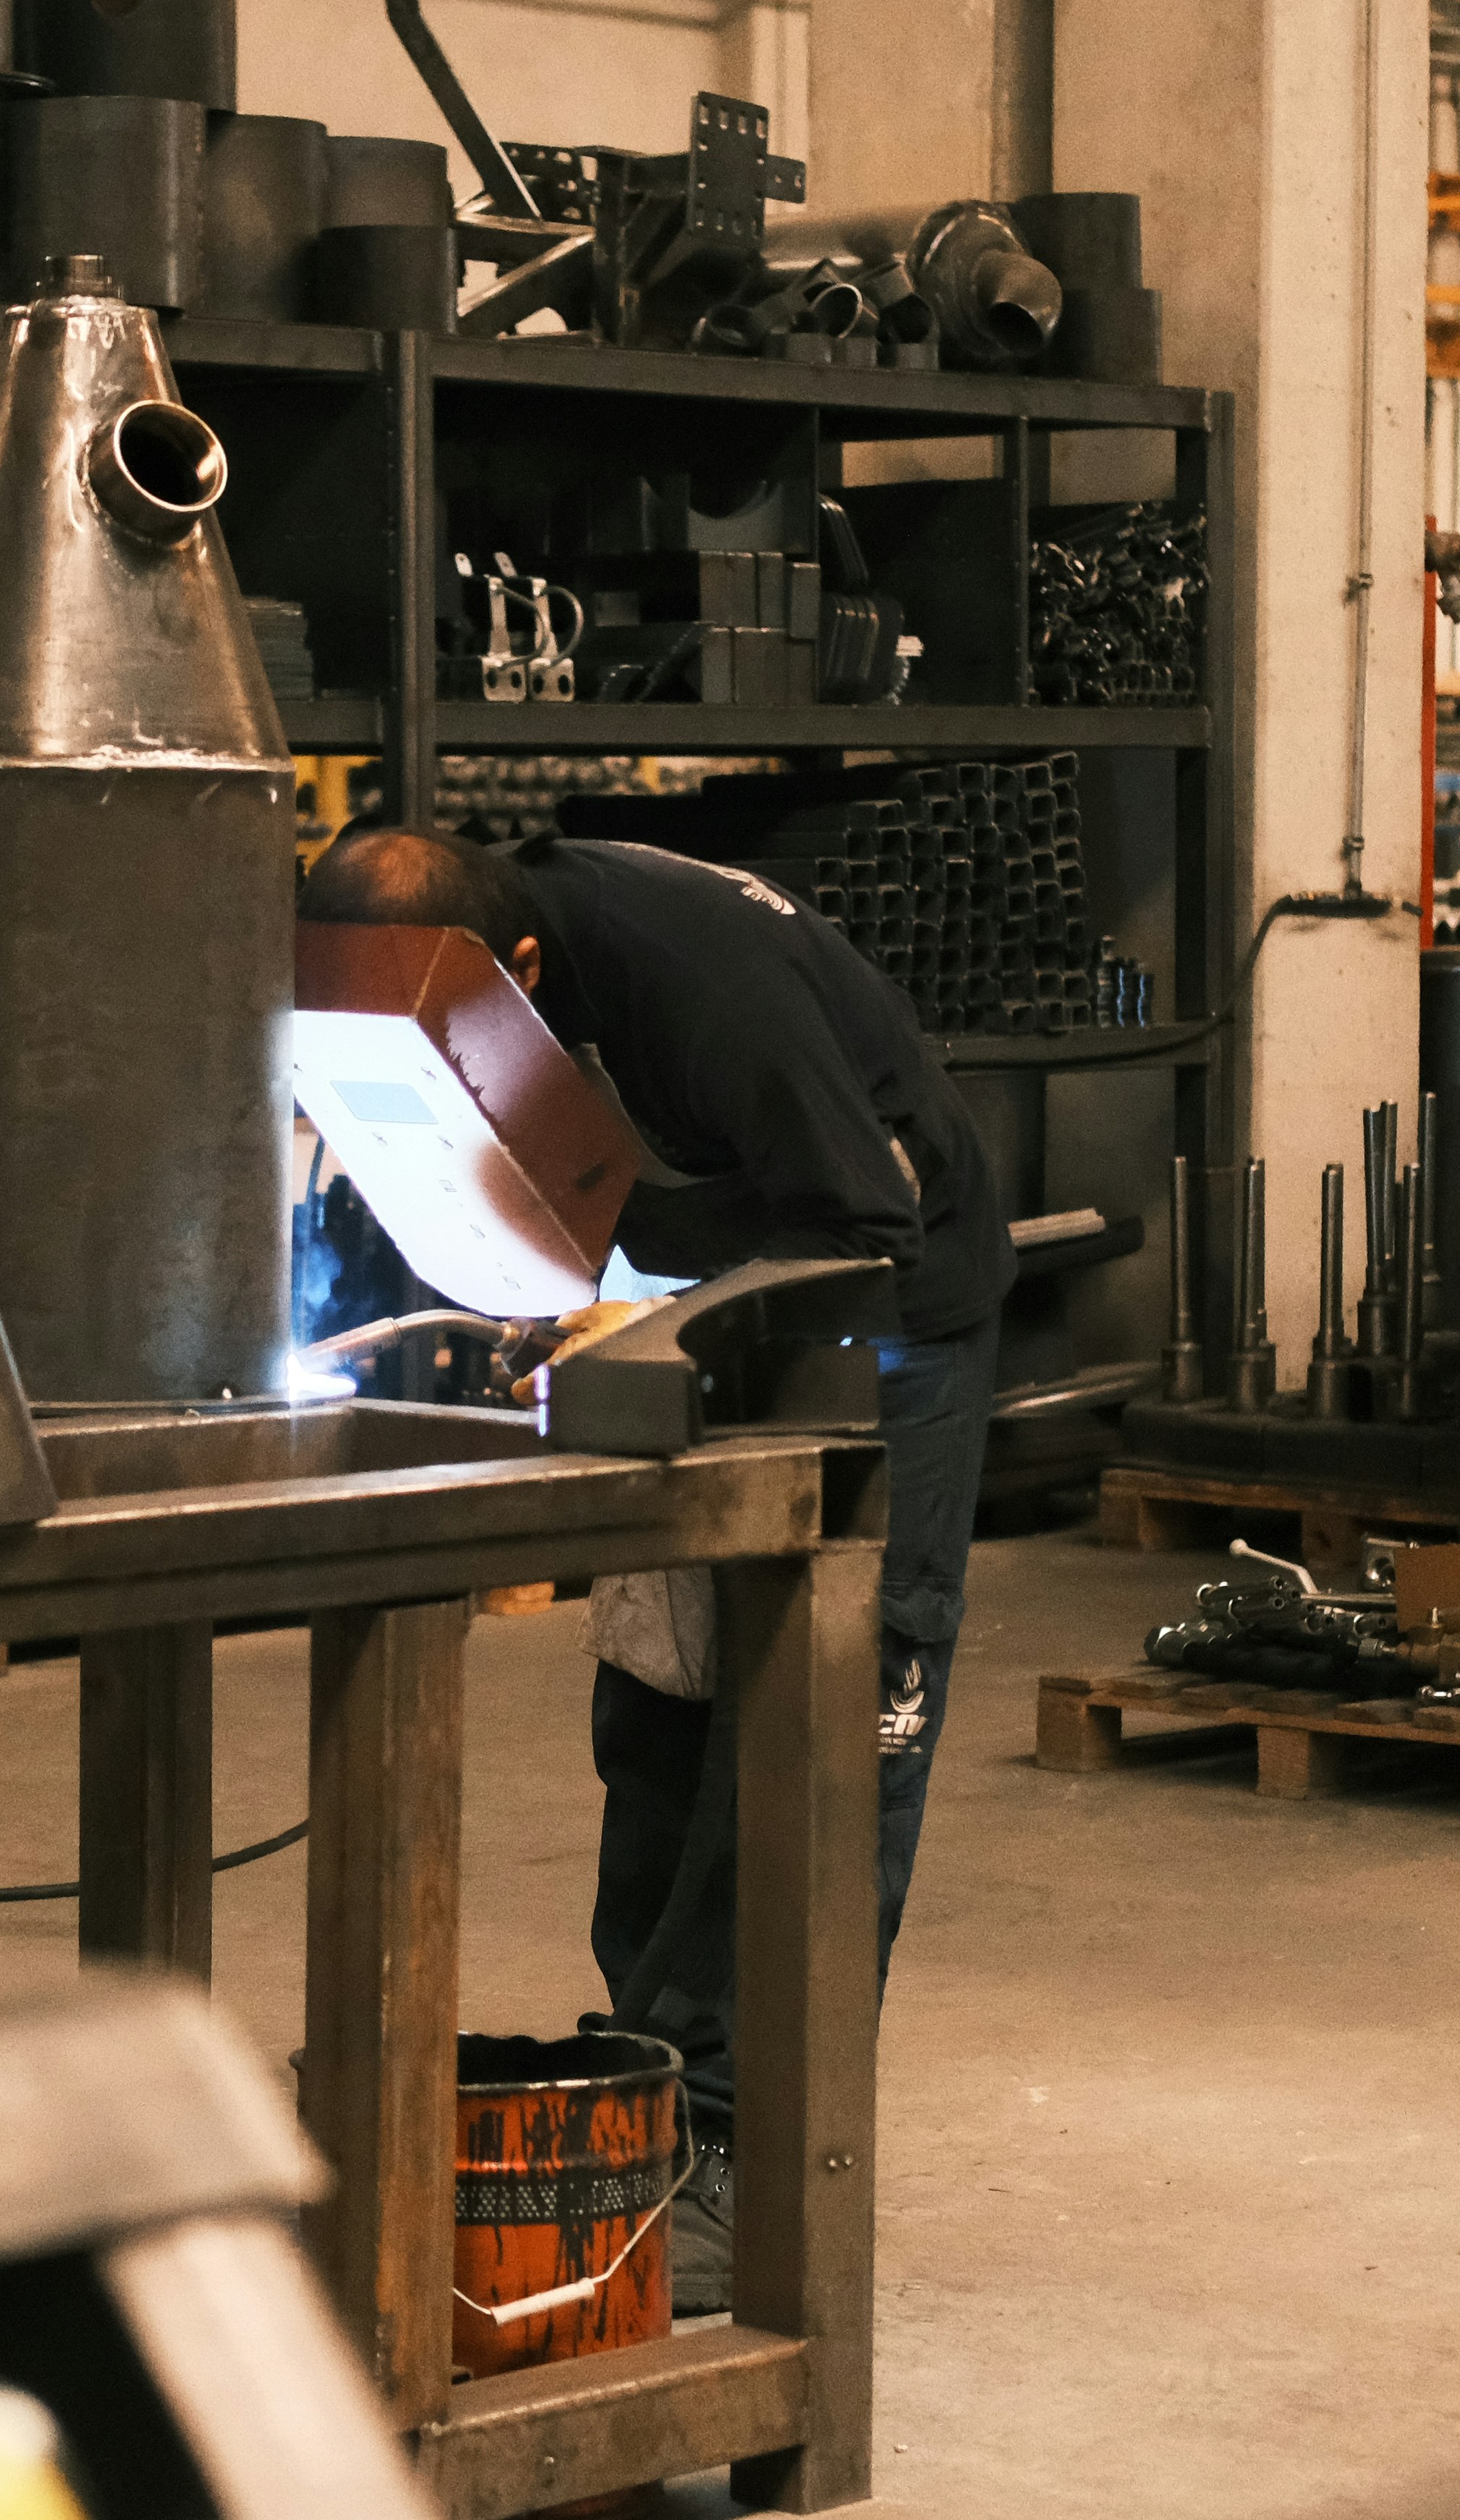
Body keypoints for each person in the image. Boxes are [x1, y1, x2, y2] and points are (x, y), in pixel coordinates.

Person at [302, 825, 1014, 2311]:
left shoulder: (705, 983)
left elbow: (858, 1228)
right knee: (663, 1710)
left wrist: (645, 1334)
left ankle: (754, 2153)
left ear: (529, 979)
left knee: (808, 1736)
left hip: (874, 1325)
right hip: (696, 1307)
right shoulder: (479, 971)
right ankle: (651, 2097)